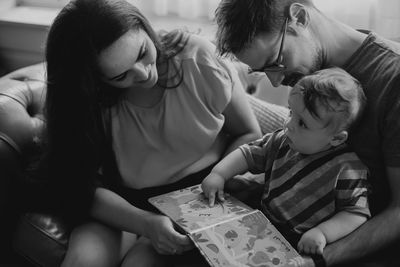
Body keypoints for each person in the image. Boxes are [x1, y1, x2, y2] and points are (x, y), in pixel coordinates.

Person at [40, 0, 264, 266]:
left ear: (144, 27)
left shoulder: (197, 57)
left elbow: (249, 134)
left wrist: (209, 195)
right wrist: (145, 223)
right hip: (122, 208)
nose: (145, 74)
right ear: (95, 81)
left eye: (142, 53)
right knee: (84, 260)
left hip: (206, 195)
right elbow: (81, 188)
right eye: (121, 75)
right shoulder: (86, 100)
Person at [214, 0, 400, 266]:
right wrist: (260, 186)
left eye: (275, 63)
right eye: (262, 71)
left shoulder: (393, 79)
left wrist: (315, 261)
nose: (276, 82)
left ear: (299, 17)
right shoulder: (308, 78)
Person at [202, 67, 370, 256]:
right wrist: (219, 174)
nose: (288, 124)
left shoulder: (348, 169)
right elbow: (247, 153)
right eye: (291, 112)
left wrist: (323, 233)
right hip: (261, 219)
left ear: (337, 138)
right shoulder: (282, 140)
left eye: (302, 123)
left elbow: (355, 213)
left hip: (298, 243)